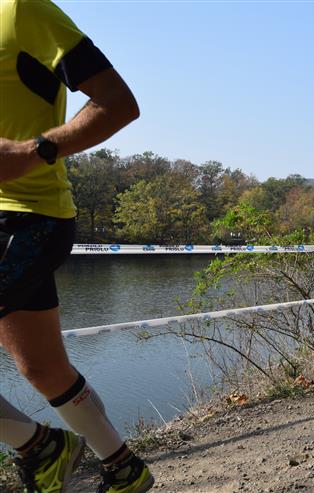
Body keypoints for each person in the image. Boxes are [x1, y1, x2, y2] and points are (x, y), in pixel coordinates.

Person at [0, 1, 153, 492]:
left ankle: (39, 447)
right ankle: (122, 468)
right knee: (43, 367)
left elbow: (118, 103)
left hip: (27, 218)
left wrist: (34, 151)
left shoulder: (21, 11)